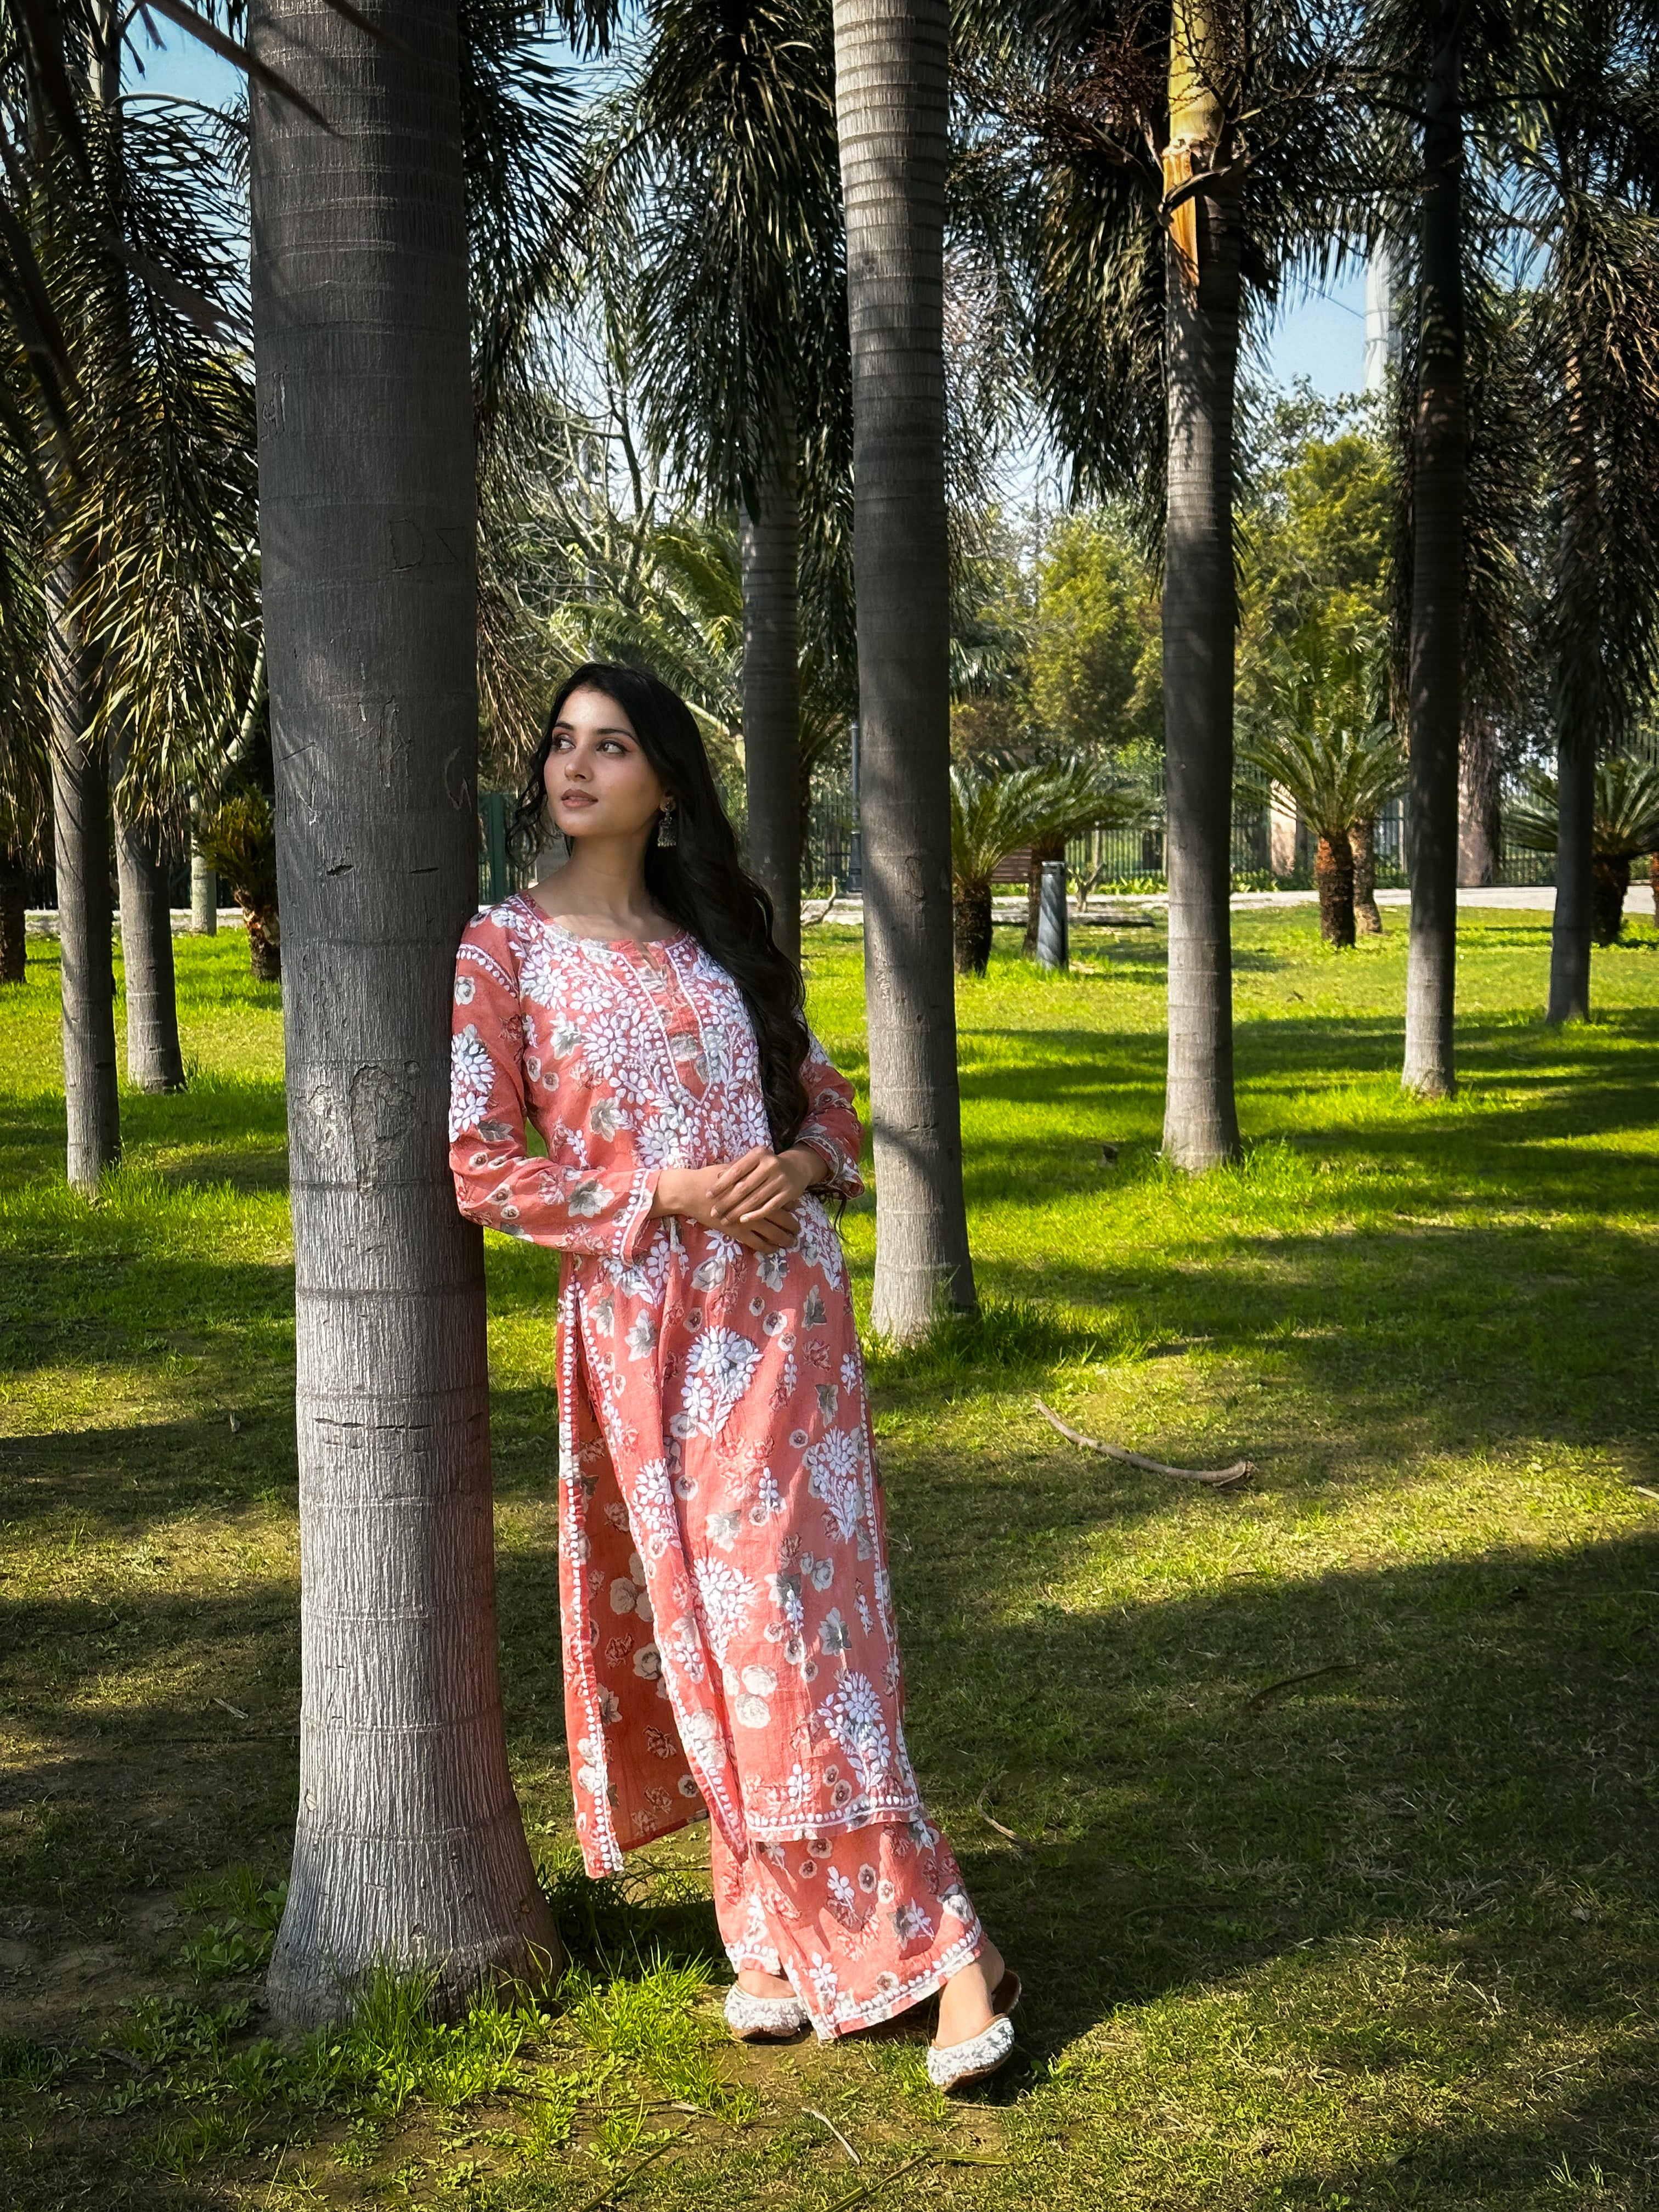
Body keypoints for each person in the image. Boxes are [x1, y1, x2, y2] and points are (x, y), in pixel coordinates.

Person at [447, 663, 1018, 2090]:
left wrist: (806, 1166)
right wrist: (675, 1190)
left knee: (797, 1630)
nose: (578, 766)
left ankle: (952, 1946)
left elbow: (825, 1105)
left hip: (784, 1322)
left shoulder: (716, 937)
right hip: (644, 1326)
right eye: (562, 743)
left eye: (614, 744)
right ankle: (762, 1921)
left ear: (664, 781)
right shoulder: (504, 947)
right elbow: (481, 1169)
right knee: (709, 1628)